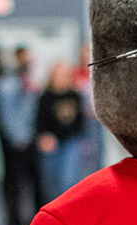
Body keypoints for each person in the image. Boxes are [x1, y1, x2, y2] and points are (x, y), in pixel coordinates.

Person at [0, 42, 40, 225]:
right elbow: (0, 114)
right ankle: (13, 220)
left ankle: (37, 218)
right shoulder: (2, 85)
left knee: (34, 180)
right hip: (10, 141)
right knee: (12, 181)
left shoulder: (31, 83)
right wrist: (10, 136)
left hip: (31, 139)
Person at [35, 59, 99, 201]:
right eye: (57, 75)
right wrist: (44, 137)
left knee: (68, 179)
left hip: (71, 140)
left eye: (63, 74)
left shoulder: (74, 95)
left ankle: (67, 208)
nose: (60, 78)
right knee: (51, 180)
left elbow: (80, 121)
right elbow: (40, 122)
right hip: (52, 141)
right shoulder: (46, 97)